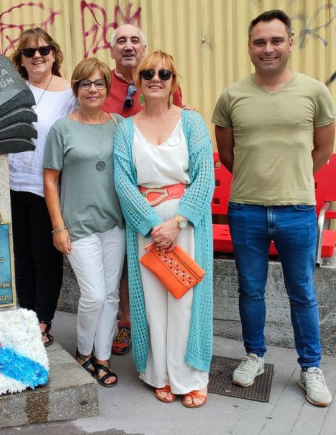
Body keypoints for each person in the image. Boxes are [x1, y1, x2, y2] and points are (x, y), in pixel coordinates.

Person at [213, 9, 335, 407]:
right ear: (250, 47)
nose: (268, 49)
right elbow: (228, 154)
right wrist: (258, 180)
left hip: (297, 211)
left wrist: (292, 178)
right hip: (246, 210)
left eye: (275, 40)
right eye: (260, 42)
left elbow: (323, 150)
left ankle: (310, 369)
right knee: (251, 289)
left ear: (290, 43)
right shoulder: (232, 96)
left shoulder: (314, 92)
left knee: (302, 292)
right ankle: (255, 356)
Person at [114, 50, 214, 408]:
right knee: (153, 301)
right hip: (146, 228)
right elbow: (123, 181)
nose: (156, 78)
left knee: (185, 298)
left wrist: (178, 222)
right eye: (148, 73)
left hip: (185, 227)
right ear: (138, 82)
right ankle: (159, 374)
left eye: (164, 73)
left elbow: (206, 177)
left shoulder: (192, 122)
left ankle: (189, 377)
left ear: (174, 81)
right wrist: (153, 226)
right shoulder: (126, 128)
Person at [0, 27, 75, 347]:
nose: (37, 56)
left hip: (47, 187)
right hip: (11, 184)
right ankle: (26, 316)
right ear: (21, 60)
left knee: (45, 258)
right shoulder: (13, 89)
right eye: (29, 52)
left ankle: (43, 322)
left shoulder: (69, 93)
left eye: (43, 50)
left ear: (54, 54)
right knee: (22, 257)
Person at [102, 24, 186, 357]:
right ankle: (127, 322)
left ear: (144, 47)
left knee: (154, 253)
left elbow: (177, 120)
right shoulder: (100, 83)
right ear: (111, 51)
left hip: (153, 189)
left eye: (134, 40)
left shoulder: (159, 78)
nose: (128, 46)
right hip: (112, 182)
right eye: (120, 41)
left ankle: (162, 328)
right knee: (124, 258)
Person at [44, 57, 125, 387]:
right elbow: (50, 181)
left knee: (111, 297)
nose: (93, 89)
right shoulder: (63, 128)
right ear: (76, 89)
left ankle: (102, 357)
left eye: (99, 83)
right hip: (77, 226)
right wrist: (58, 227)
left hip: (114, 224)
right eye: (85, 83)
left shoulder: (118, 124)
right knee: (93, 295)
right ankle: (83, 352)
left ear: (107, 88)